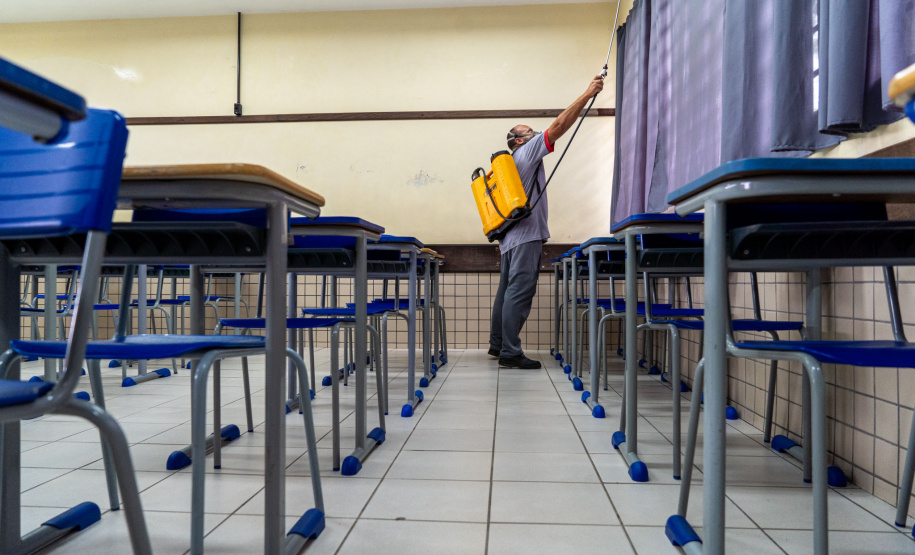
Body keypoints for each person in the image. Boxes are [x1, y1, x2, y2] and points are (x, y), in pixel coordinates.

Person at [489, 75, 605, 369]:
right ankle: (510, 353)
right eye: (531, 132)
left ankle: (498, 344)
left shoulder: (510, 166)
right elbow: (558, 126)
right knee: (520, 292)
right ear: (518, 140)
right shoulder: (526, 152)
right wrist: (587, 94)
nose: (538, 133)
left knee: (506, 291)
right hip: (526, 236)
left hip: (509, 238)